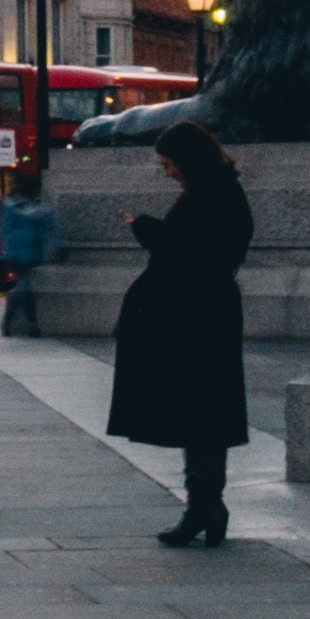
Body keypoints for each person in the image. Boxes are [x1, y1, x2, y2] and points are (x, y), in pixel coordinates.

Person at [108, 122, 255, 545]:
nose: (167, 172)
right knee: (201, 414)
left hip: (199, 319)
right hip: (203, 315)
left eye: (169, 164)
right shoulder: (218, 191)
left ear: (188, 160)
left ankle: (204, 507)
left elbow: (188, 250)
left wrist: (144, 227)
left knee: (202, 413)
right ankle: (207, 506)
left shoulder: (211, 196)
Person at [0, 184, 59, 338]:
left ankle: (9, 321)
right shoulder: (24, 209)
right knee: (26, 288)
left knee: (22, 288)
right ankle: (30, 323)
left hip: (27, 254)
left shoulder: (15, 208)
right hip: (22, 255)